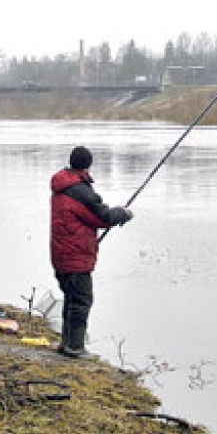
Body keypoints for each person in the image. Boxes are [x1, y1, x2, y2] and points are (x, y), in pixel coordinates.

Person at [50, 146, 133, 358]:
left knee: (71, 298)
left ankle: (66, 344)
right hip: (75, 257)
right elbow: (102, 217)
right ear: (88, 165)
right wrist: (122, 214)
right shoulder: (81, 191)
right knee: (82, 300)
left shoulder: (62, 185)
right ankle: (76, 347)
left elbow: (94, 218)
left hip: (61, 254)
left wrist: (116, 216)